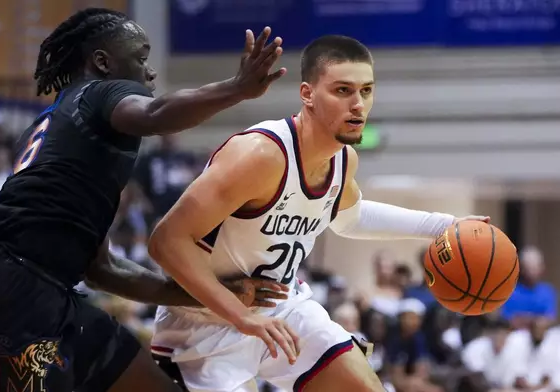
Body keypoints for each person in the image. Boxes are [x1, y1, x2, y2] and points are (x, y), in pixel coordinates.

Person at [0, 8, 289, 392]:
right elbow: (155, 113)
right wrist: (237, 88)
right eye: (141, 58)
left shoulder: (65, 125)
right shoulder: (98, 93)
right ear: (103, 62)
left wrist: (209, 294)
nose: (150, 72)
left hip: (35, 291)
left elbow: (103, 269)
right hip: (12, 294)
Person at [148, 35, 489, 392]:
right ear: (308, 94)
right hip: (204, 322)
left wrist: (446, 226)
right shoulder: (260, 155)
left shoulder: (343, 160)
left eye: (366, 91)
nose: (358, 104)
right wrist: (241, 317)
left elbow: (350, 217)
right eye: (343, 90)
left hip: (283, 308)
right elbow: (166, 242)